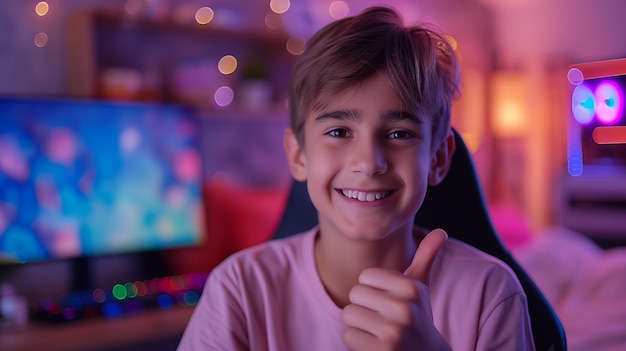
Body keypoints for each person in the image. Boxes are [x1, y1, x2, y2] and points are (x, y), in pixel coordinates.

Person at [178, 6, 535, 351]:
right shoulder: (239, 289)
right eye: (338, 131)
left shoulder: (491, 295)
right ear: (298, 155)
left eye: (398, 134)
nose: (368, 163)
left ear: (438, 159)